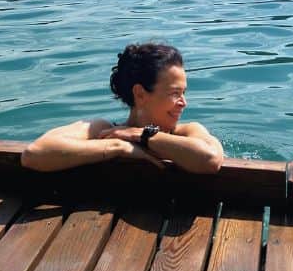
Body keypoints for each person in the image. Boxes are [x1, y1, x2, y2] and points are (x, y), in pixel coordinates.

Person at [21, 43, 224, 174]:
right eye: (174, 93)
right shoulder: (105, 132)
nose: (183, 102)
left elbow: (211, 159)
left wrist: (143, 136)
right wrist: (119, 147)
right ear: (140, 94)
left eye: (184, 93)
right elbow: (34, 154)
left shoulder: (188, 132)